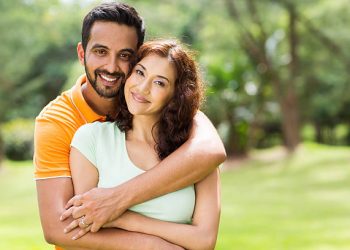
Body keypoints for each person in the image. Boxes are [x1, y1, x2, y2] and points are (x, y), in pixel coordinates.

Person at [34, 2, 226, 250]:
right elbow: (59, 226)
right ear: (82, 53)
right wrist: (154, 246)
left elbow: (211, 150)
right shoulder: (60, 123)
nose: (112, 67)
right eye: (101, 51)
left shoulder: (166, 112)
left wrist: (117, 202)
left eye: (124, 55)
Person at [63, 39, 220, 250]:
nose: (143, 88)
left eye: (159, 82)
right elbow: (84, 230)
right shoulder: (92, 139)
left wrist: (124, 219)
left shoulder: (194, 154)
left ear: (176, 95)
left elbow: (204, 241)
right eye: (140, 72)